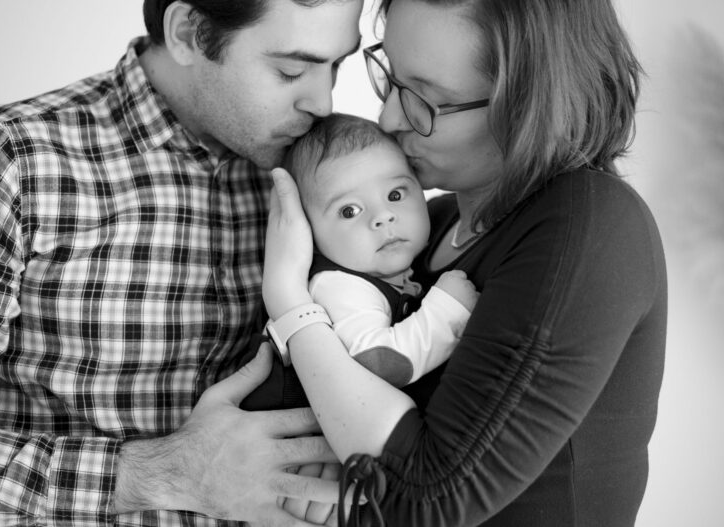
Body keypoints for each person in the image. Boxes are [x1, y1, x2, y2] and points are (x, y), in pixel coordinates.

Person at [0, 1, 363, 526]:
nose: (323, 102)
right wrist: (164, 473)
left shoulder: (321, 172)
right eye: (290, 70)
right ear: (189, 33)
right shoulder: (10, 159)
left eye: (338, 64)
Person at [262, 0, 667, 525]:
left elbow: (427, 500)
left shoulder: (588, 223)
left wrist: (289, 302)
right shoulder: (425, 228)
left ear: (529, 105)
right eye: (390, 78)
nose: (388, 119)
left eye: (425, 99)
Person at [243, 113, 477, 411]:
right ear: (307, 231)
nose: (383, 216)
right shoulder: (339, 288)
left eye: (395, 194)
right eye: (349, 211)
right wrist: (447, 312)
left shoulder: (381, 270)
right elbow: (381, 364)